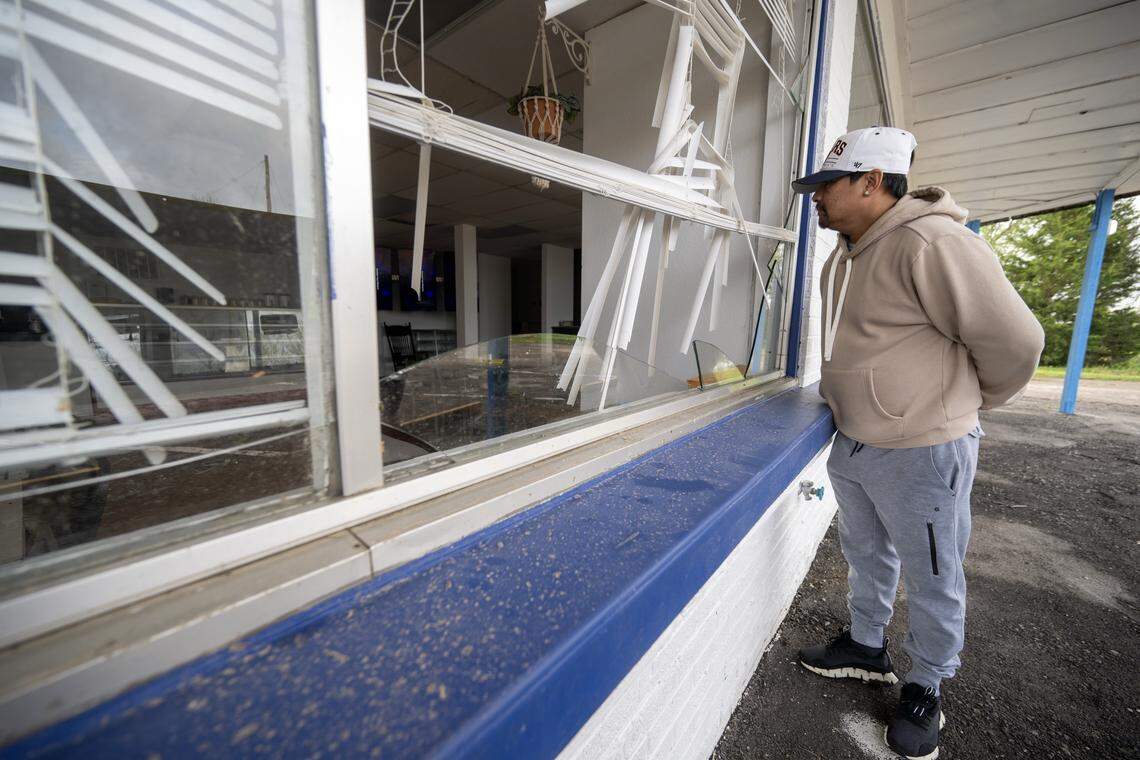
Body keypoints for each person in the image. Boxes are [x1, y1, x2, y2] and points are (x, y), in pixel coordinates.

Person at [789, 127, 1044, 760]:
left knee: (933, 572)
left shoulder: (933, 241)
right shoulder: (845, 253)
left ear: (871, 182)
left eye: (827, 185)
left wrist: (963, 404)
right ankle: (867, 647)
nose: (815, 198)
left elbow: (1018, 342)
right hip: (854, 442)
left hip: (924, 449)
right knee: (868, 555)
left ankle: (926, 684)